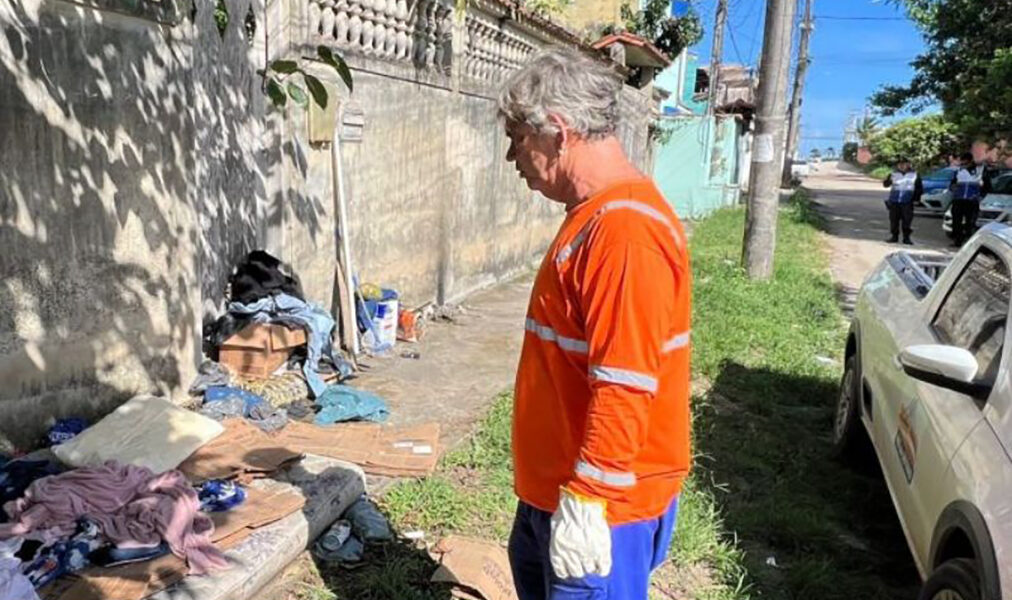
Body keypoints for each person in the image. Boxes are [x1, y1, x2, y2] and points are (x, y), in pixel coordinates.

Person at [498, 47, 691, 600]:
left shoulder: (624, 233)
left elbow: (626, 383)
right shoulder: (594, 216)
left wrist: (587, 499)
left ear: (557, 131)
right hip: (557, 489)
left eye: (517, 139)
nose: (513, 158)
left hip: (599, 505)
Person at [950, 152, 990, 246]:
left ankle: (969, 242)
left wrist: (980, 197)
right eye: (962, 163)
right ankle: (958, 241)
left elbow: (987, 186)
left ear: (970, 161)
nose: (963, 165)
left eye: (965, 163)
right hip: (958, 200)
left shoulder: (980, 171)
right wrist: (953, 188)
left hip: (972, 201)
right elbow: (952, 184)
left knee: (970, 222)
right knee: (956, 221)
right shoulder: (959, 171)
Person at [882, 157, 922, 245]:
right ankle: (894, 236)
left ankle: (906, 238)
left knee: (907, 220)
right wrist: (887, 180)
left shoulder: (914, 174)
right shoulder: (893, 174)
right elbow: (886, 185)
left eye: (904, 164)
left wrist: (916, 199)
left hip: (907, 200)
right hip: (894, 200)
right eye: (900, 164)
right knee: (894, 220)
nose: (901, 166)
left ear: (908, 164)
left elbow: (919, 188)